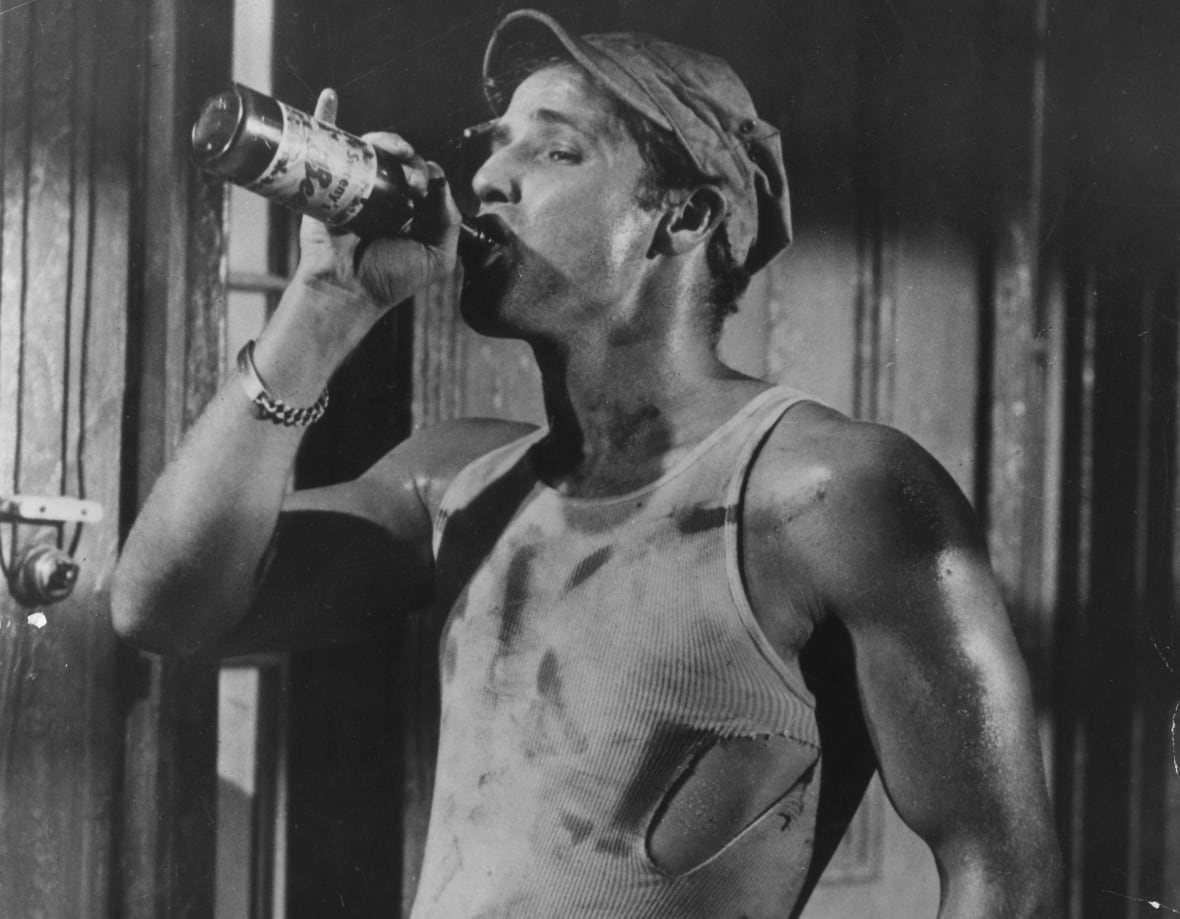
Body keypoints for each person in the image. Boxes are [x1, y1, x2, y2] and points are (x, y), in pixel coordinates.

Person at [112, 9, 1063, 918]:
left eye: (555, 150)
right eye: (496, 140)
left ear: (683, 217)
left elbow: (1004, 878)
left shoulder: (829, 491)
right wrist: (324, 306)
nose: (488, 175)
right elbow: (163, 607)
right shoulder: (459, 485)